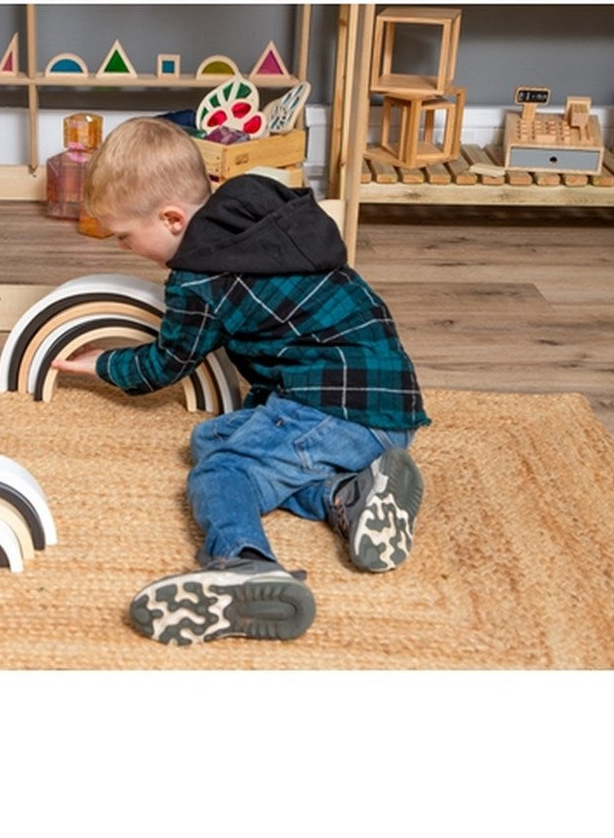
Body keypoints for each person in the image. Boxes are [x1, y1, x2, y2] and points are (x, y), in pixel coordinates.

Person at [52, 116, 430, 646]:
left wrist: (100, 364)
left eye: (124, 237)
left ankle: (244, 565)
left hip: (331, 411)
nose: (123, 249)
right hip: (388, 407)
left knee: (219, 472)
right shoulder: (259, 217)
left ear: (171, 219)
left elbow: (166, 364)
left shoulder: (199, 278)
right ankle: (347, 494)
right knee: (211, 435)